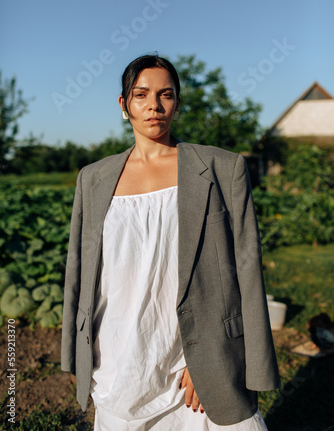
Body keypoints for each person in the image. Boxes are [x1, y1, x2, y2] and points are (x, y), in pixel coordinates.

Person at [61, 54, 280, 430]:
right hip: (119, 359)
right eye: (141, 94)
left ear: (177, 103)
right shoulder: (93, 179)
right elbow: (79, 272)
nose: (154, 106)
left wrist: (214, 359)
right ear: (124, 104)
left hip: (195, 366)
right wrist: (76, 354)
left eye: (166, 95)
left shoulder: (221, 168)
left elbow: (246, 269)